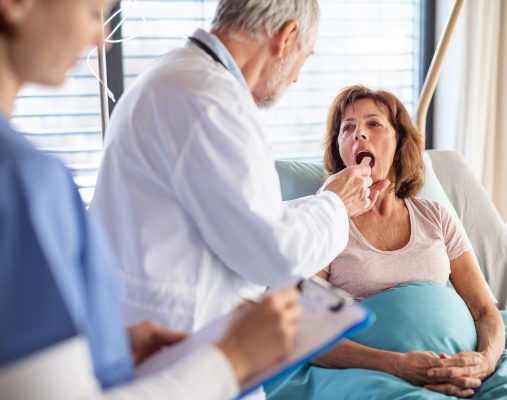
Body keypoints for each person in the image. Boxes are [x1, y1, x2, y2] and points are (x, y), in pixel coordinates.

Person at [0, 0, 305, 398]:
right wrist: (232, 360)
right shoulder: (22, 181)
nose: (101, 40)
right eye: (94, 12)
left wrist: (107, 345)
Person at [92, 0, 387, 342]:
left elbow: (234, 216)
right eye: (304, 58)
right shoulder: (214, 103)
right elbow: (276, 256)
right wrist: (336, 204)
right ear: (286, 37)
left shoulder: (171, 76)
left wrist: (323, 201)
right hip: (179, 341)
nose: (296, 78)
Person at [309, 86, 505, 398]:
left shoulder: (436, 216)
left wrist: (485, 360)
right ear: (340, 149)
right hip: (371, 373)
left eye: (373, 124)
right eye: (347, 128)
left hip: (463, 365)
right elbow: (307, 332)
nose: (358, 133)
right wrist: (397, 364)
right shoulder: (322, 221)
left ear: (400, 141)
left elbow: (484, 310)